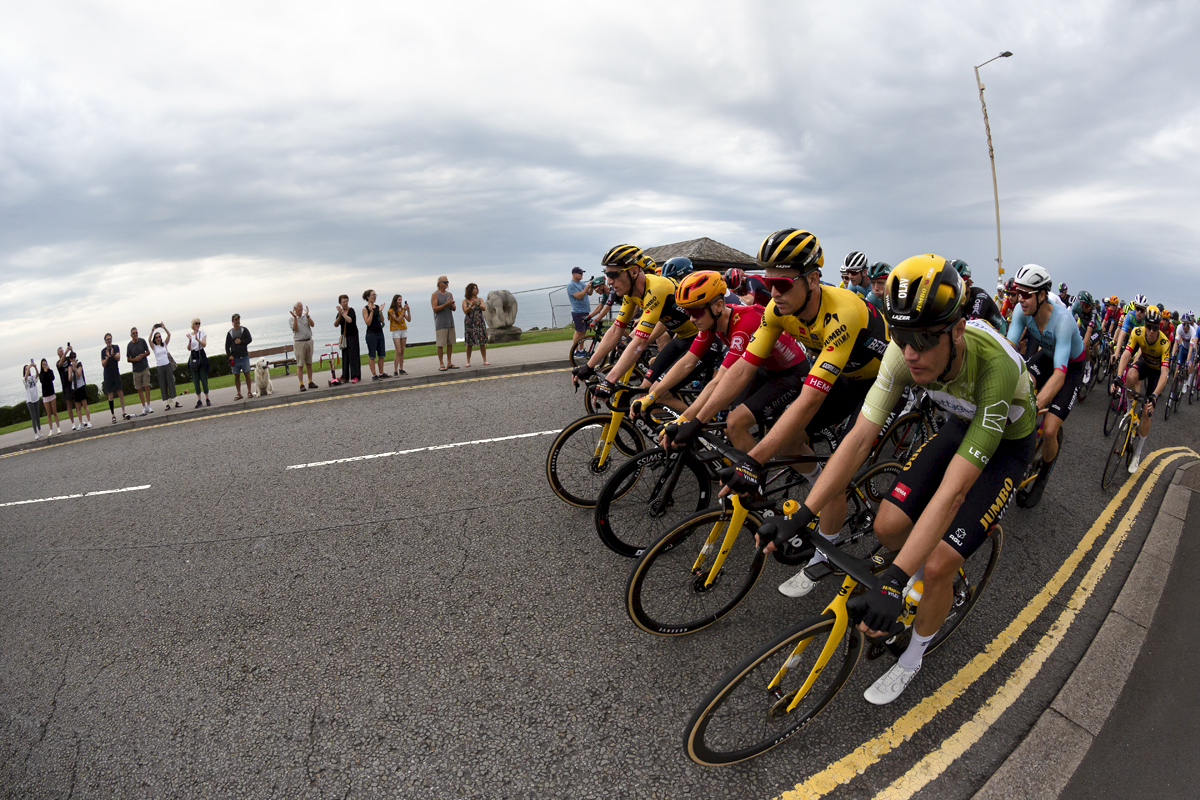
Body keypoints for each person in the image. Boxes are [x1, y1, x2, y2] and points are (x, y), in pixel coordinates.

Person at [763, 255, 1036, 704]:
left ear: (956, 331)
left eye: (926, 339)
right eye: (902, 336)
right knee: (887, 527)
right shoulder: (901, 353)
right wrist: (805, 516)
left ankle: (913, 657)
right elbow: (858, 440)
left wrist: (893, 578)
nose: (911, 353)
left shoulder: (995, 366)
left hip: (1006, 443)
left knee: (936, 565)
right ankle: (916, 573)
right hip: (959, 423)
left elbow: (954, 491)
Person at [669, 228, 889, 600]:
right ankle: (821, 483)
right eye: (770, 283)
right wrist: (695, 420)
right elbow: (740, 369)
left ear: (813, 279)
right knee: (790, 440)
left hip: (879, 380)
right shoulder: (775, 310)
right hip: (843, 375)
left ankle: (826, 550)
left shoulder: (844, 310)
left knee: (841, 464)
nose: (774, 293)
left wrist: (753, 460)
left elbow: (809, 400)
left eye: (783, 284)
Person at [1005, 263, 1086, 507]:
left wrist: (1035, 404)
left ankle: (1044, 472)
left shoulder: (1063, 321)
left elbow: (1060, 376)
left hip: (1069, 366)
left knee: (1049, 429)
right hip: (1047, 356)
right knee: (1023, 384)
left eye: (1027, 294)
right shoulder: (1022, 311)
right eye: (1019, 293)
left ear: (1042, 295)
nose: (1021, 299)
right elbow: (1008, 350)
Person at [1113, 307, 1171, 473]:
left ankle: (1137, 454)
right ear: (1145, 324)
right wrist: (1118, 376)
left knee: (1147, 411)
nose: (1152, 331)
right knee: (1130, 375)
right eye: (1149, 326)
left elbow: (1165, 374)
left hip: (1157, 372)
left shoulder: (1164, 343)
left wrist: (1154, 396)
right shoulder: (1138, 332)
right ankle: (1130, 410)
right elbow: (1126, 354)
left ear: (1159, 328)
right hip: (1145, 364)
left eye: (1155, 327)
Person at [953, 260, 1007, 334]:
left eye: (960, 284)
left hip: (1001, 335)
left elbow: (972, 328)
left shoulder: (980, 296)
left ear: (969, 283)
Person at [100, 333, 130, 423]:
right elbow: (103, 364)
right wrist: (108, 357)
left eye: (110, 339)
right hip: (108, 374)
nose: (109, 341)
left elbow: (118, 358)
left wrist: (112, 355)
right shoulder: (103, 351)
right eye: (107, 339)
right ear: (105, 341)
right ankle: (113, 415)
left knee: (120, 392)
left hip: (115, 373)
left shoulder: (116, 347)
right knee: (110, 395)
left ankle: (123, 412)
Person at [148, 325, 179, 411]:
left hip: (167, 365)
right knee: (163, 385)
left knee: (171, 383)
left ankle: (175, 401)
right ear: (155, 339)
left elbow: (169, 335)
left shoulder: (164, 344)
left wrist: (163, 327)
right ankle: (166, 404)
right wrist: (152, 330)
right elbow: (149, 340)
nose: (158, 338)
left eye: (159, 337)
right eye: (156, 337)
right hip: (160, 367)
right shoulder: (154, 347)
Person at [289, 302, 318, 391]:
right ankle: (301, 384)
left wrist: (308, 315)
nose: (301, 308)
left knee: (309, 363)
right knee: (300, 364)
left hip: (308, 341)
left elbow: (313, 325)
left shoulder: (306, 317)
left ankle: (310, 381)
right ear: (295, 308)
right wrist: (295, 318)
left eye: (302, 306)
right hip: (299, 343)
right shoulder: (291, 319)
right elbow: (295, 329)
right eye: (299, 307)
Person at [225, 314, 254, 399]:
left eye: (238, 319)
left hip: (244, 355)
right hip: (235, 357)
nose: (237, 321)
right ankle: (239, 393)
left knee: (247, 373)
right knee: (236, 375)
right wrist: (229, 355)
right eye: (235, 320)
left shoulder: (244, 330)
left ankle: (249, 392)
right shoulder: (230, 333)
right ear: (232, 322)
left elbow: (249, 339)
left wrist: (241, 341)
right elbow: (227, 346)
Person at [362, 290, 388, 380]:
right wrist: (371, 312)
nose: (374, 296)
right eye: (372, 295)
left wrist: (380, 311)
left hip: (379, 333)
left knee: (381, 354)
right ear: (368, 297)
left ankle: (381, 373)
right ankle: (374, 374)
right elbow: (368, 323)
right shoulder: (365, 309)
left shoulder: (377, 307)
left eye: (375, 295)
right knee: (372, 355)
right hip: (371, 334)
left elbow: (382, 320)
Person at [432, 276, 458, 370]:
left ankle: (449, 362)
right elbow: (435, 308)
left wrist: (452, 305)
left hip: (450, 322)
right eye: (445, 282)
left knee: (450, 343)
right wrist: (445, 304)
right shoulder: (435, 294)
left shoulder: (449, 294)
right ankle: (441, 363)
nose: (447, 284)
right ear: (440, 283)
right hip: (441, 324)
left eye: (448, 282)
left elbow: (454, 309)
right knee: (440, 344)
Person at [126, 327, 153, 416]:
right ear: (131, 335)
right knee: (139, 389)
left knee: (147, 386)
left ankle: (149, 405)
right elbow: (128, 359)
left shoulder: (142, 341)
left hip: (144, 367)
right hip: (136, 370)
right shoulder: (129, 345)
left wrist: (143, 355)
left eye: (136, 332)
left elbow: (148, 352)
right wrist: (135, 359)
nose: (135, 334)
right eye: (133, 333)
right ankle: (143, 406)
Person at [334, 295, 361, 383]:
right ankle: (345, 376)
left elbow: (349, 320)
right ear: (340, 303)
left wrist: (342, 313)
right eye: (343, 302)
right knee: (345, 356)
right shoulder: (340, 313)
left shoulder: (351, 310)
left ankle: (355, 375)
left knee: (353, 355)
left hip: (353, 335)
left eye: (346, 301)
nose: (345, 303)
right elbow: (336, 324)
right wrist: (339, 315)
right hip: (345, 336)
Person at [185, 318, 211, 407]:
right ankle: (199, 400)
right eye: (196, 323)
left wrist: (197, 339)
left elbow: (204, 344)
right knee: (196, 380)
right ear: (193, 324)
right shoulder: (190, 335)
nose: (198, 325)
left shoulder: (202, 333)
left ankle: (207, 398)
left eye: (199, 323)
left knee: (204, 378)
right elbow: (189, 348)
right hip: (194, 356)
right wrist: (190, 340)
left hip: (201, 355)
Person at [568, 267, 594, 356]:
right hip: (578, 311)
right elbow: (579, 296)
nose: (581, 275)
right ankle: (575, 350)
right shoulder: (571, 285)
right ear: (574, 274)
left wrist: (592, 286)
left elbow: (589, 293)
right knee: (578, 331)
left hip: (585, 310)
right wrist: (587, 286)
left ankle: (581, 349)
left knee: (584, 331)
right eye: (580, 273)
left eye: (582, 273)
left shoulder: (581, 283)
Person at [463, 283, 489, 366]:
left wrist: (477, 303)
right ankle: (468, 361)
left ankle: (485, 360)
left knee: (482, 341)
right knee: (469, 342)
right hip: (469, 322)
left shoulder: (480, 299)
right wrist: (471, 305)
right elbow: (465, 311)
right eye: (474, 288)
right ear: (470, 290)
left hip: (479, 322)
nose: (476, 290)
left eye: (476, 288)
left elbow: (484, 308)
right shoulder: (465, 301)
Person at [387, 294, 411, 375]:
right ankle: (395, 370)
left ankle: (401, 368)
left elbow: (409, 319)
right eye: (399, 300)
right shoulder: (391, 311)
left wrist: (408, 311)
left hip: (403, 330)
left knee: (402, 350)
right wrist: (403, 312)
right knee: (398, 350)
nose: (400, 301)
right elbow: (397, 319)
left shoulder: (403, 309)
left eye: (401, 300)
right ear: (395, 301)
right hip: (396, 330)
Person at [68, 351, 92, 428]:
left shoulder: (79, 364)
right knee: (78, 407)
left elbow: (79, 375)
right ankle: (80, 422)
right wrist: (71, 371)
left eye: (74, 357)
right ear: (70, 359)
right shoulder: (69, 367)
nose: (73, 359)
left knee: (84, 405)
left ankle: (89, 421)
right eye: (72, 358)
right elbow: (69, 379)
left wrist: (75, 369)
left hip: (81, 386)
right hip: (74, 388)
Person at [56, 346, 78, 429]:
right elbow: (60, 363)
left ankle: (80, 420)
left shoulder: (68, 359)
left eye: (62, 351)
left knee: (77, 403)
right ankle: (72, 423)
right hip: (65, 386)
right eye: (60, 351)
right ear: (58, 354)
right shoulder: (58, 363)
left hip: (72, 383)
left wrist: (71, 349)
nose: (62, 352)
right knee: (69, 405)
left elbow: (73, 357)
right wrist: (65, 352)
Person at [38, 358, 62, 434]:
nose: (44, 365)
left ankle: (58, 427)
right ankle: (51, 429)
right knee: (48, 414)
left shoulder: (50, 371)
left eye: (45, 363)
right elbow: (42, 381)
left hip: (51, 393)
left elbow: (52, 378)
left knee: (54, 412)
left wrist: (48, 371)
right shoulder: (41, 374)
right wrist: (44, 372)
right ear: (41, 366)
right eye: (43, 364)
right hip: (45, 395)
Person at [23, 365, 43, 440]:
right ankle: (35, 433)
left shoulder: (33, 377)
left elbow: (38, 374)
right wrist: (29, 367)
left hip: (36, 399)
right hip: (30, 400)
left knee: (37, 415)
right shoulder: (24, 379)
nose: (27, 370)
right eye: (26, 369)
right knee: (33, 417)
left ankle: (40, 430)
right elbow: (25, 379)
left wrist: (35, 367)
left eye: (28, 369)